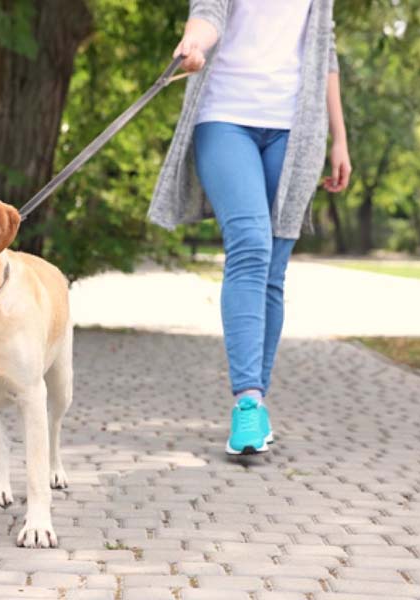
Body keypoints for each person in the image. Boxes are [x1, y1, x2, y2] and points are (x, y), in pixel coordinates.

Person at [148, 0, 352, 455]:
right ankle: (246, 402)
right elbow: (208, 12)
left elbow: (325, 48)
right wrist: (194, 43)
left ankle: (257, 402)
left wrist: (340, 138)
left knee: (273, 272)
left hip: (296, 130)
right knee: (250, 247)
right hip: (225, 118)